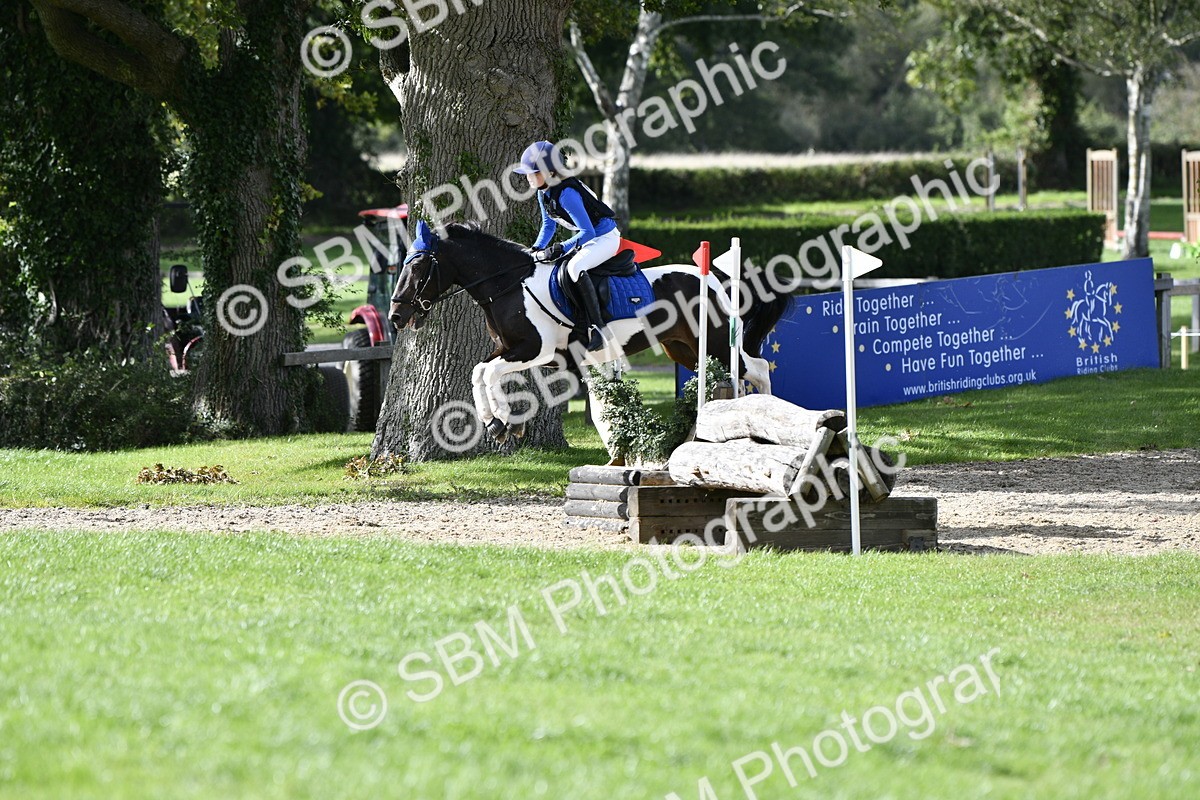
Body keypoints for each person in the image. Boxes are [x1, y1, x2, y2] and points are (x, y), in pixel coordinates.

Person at [513, 140, 621, 351]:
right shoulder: (543, 192)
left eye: (534, 172)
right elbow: (548, 226)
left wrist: (561, 247)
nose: (528, 177)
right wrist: (534, 250)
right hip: (589, 237)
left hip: (605, 238)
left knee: (574, 268)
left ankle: (599, 328)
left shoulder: (567, 194)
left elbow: (588, 232)